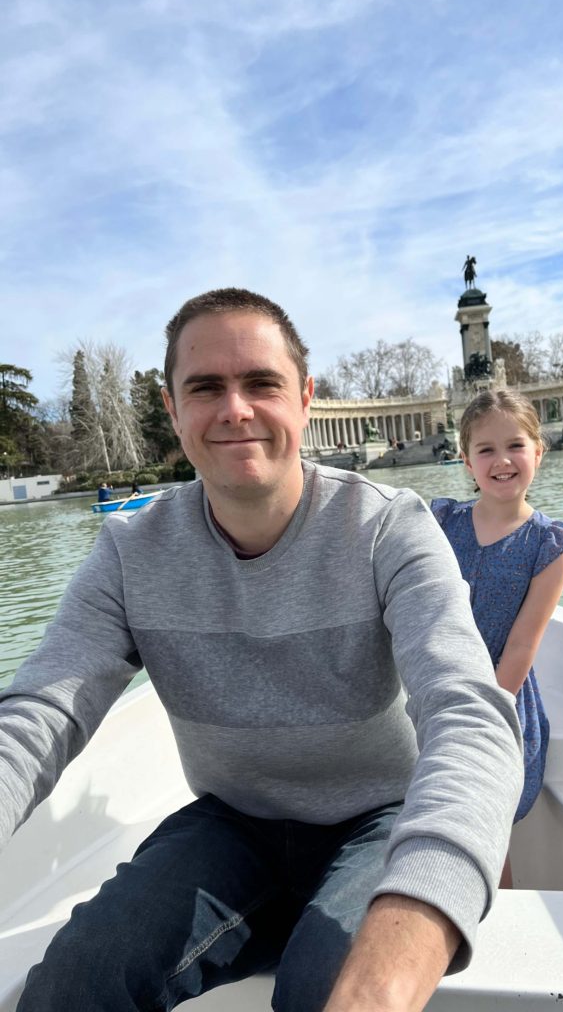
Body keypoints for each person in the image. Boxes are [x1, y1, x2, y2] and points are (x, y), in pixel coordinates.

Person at [0, 288, 522, 1012]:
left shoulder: (390, 530)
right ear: (172, 409)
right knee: (71, 986)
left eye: (262, 384)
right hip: (230, 825)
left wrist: (409, 931)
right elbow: (41, 713)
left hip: (377, 818)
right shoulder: (128, 554)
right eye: (206, 387)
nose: (235, 409)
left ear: (306, 398)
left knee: (330, 992)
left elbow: (470, 714)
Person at [430, 389, 563, 884]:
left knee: (485, 828)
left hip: (500, 702)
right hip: (432, 689)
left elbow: (521, 646)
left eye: (515, 445)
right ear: (466, 460)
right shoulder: (439, 522)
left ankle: (494, 924)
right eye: (486, 450)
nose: (502, 461)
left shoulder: (550, 544)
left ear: (539, 451)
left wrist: (480, 719)